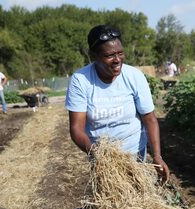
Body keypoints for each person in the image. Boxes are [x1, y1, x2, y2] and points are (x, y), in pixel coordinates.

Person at [65, 25, 170, 184]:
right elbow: (76, 129)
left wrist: (157, 156)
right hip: (101, 159)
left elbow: (150, 119)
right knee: (109, 202)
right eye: (109, 55)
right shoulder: (81, 80)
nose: (117, 60)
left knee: (138, 200)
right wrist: (99, 156)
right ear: (93, 56)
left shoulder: (134, 76)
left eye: (120, 53)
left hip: (136, 156)